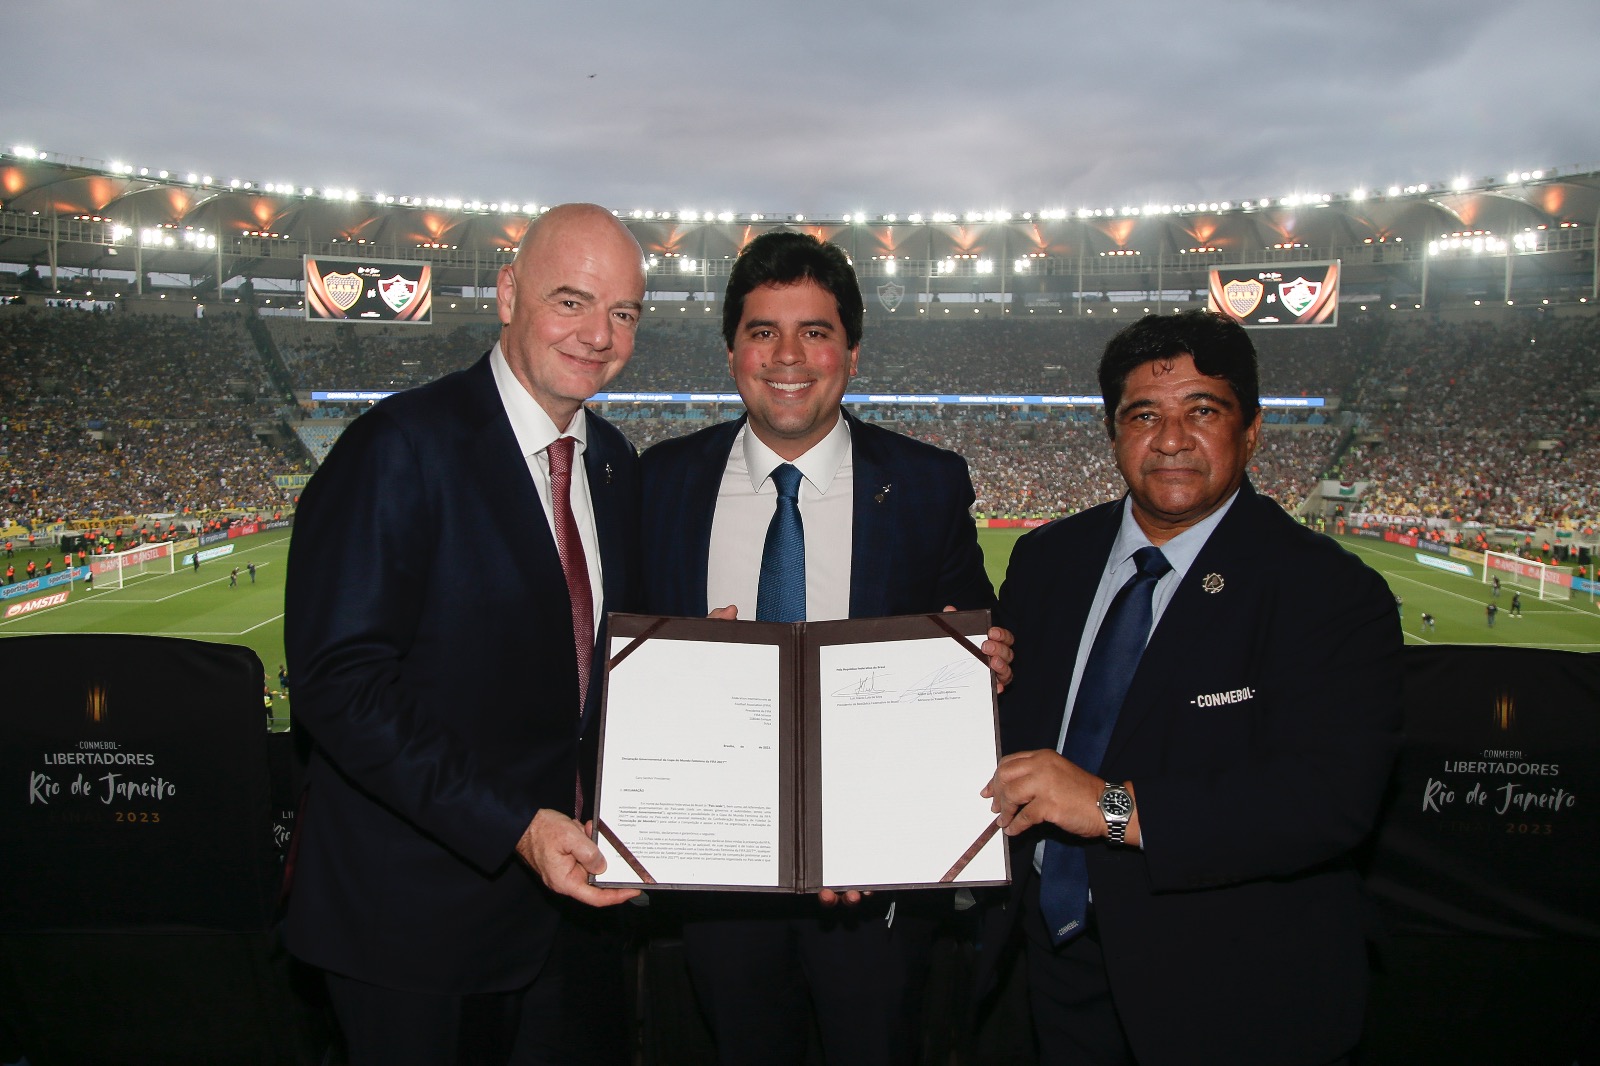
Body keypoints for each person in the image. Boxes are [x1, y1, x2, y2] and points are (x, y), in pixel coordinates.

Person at [979, 310, 1403, 1065]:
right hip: (1047, 968)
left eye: (1202, 411)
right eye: (1145, 415)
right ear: (1113, 434)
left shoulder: (1327, 590)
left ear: (1252, 430)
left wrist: (1110, 807)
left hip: (1230, 986)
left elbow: (1327, 801)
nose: (1171, 439)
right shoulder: (1048, 560)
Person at [283, 203, 648, 1066]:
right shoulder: (397, 446)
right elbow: (341, 684)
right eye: (572, 301)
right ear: (508, 292)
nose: (598, 335)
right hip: (414, 927)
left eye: (623, 312)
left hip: (574, 917)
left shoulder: (615, 463)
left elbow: (590, 671)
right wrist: (514, 825)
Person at [639, 230, 1010, 1065]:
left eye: (815, 330)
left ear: (852, 351)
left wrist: (983, 665)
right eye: (762, 330)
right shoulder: (661, 482)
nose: (788, 355)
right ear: (731, 348)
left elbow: (967, 640)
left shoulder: (927, 481)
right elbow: (623, 669)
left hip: (874, 883)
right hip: (717, 868)